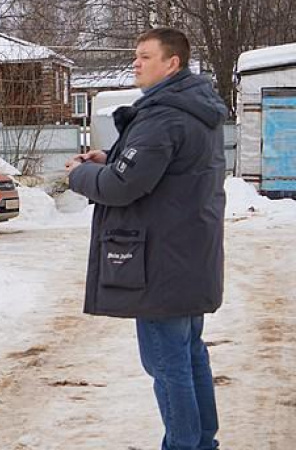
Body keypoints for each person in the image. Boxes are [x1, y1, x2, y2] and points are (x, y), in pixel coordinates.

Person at [65, 28, 227, 450]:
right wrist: (112, 157)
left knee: (168, 365)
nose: (135, 63)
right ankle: (202, 442)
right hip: (187, 256)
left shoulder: (165, 116)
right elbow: (156, 169)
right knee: (190, 357)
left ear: (171, 63)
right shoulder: (192, 110)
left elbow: (122, 187)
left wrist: (80, 175)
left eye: (144, 57)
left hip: (162, 264)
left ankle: (184, 445)